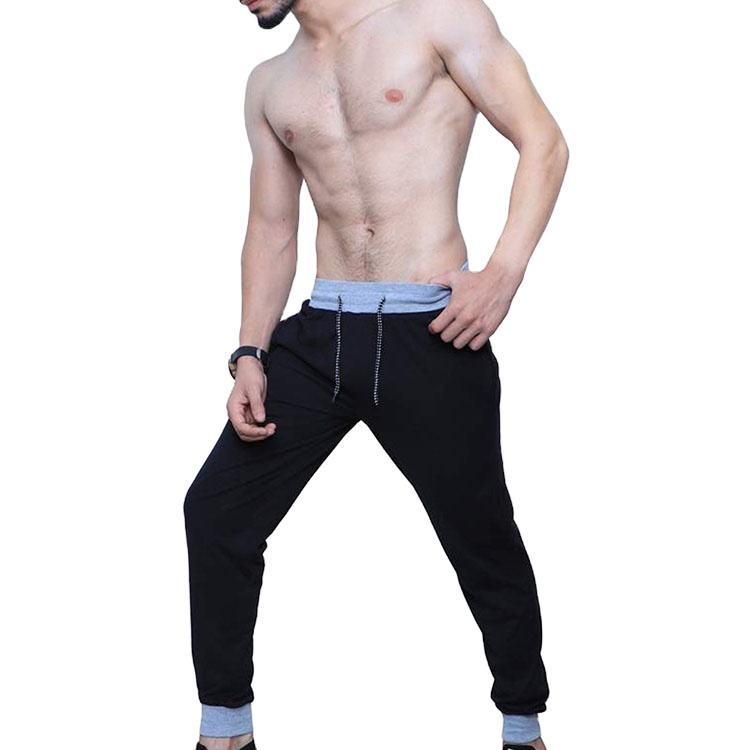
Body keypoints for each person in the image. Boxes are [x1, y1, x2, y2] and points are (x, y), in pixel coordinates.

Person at [184, 0, 568, 746]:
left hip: (432, 328)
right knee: (217, 511)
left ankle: (523, 727)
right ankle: (225, 729)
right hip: (321, 333)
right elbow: (272, 227)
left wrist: (503, 274)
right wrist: (250, 353)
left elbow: (543, 142)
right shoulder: (270, 83)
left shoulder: (438, 17)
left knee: (481, 536)